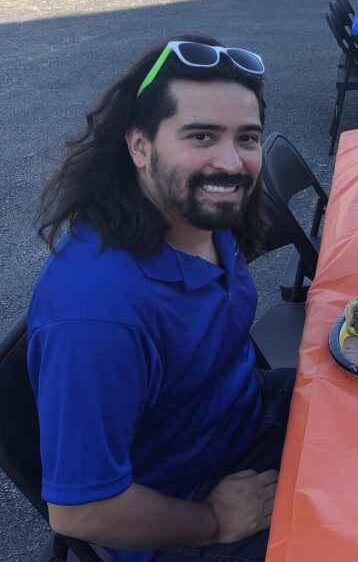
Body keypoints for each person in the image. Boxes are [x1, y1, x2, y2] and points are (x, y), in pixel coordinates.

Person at [28, 35, 294, 562]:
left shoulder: (203, 219)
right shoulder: (99, 312)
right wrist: (214, 521)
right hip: (186, 514)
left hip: (244, 419)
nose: (232, 162)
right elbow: (81, 511)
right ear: (139, 146)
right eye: (200, 136)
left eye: (247, 137)